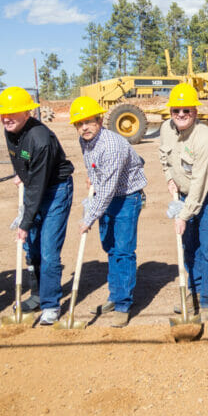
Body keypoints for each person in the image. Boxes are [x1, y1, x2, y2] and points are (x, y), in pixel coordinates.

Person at [0, 86, 75, 326]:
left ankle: (51, 304)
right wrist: (21, 173)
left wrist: (25, 221)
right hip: (34, 185)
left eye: (13, 112)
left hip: (55, 190)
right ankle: (38, 294)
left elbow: (39, 187)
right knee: (31, 248)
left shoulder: (41, 139)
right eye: (3, 113)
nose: (6, 118)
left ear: (27, 112)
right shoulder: (10, 130)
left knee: (49, 250)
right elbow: (19, 160)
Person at [70, 95, 147, 328]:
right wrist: (92, 176)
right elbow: (95, 170)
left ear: (100, 120)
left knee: (123, 250)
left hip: (126, 198)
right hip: (106, 195)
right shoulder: (86, 140)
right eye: (79, 123)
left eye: (89, 121)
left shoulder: (112, 145)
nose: (84, 127)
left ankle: (123, 304)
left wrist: (89, 217)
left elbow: (108, 189)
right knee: (110, 247)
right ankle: (115, 296)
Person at [159, 83, 208, 323]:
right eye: (176, 111)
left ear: (195, 112)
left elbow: (199, 186)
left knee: (207, 247)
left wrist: (183, 216)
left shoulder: (206, 140)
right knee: (189, 246)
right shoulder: (166, 129)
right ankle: (194, 292)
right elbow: (163, 157)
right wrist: (169, 179)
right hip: (184, 194)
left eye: (186, 111)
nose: (181, 115)